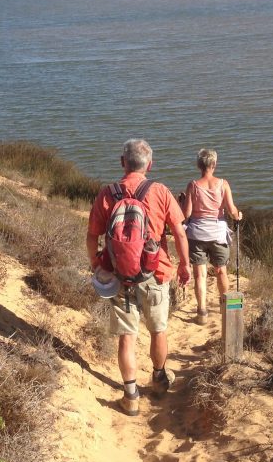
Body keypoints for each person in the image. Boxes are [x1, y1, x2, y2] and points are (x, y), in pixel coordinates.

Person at [87, 138, 192, 416]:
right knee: (158, 329)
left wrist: (96, 263)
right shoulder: (160, 192)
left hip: (120, 275)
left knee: (127, 336)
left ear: (122, 162)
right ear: (150, 165)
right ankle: (159, 379)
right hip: (155, 273)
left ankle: (131, 395)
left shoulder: (107, 194)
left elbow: (92, 235)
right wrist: (184, 265)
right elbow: (180, 232)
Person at [182, 148, 243, 325]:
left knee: (200, 275)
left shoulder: (193, 185)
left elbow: (187, 213)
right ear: (214, 164)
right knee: (221, 270)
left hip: (197, 233)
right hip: (218, 234)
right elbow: (231, 210)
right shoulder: (223, 184)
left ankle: (202, 312)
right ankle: (225, 308)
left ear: (199, 165)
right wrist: (238, 215)